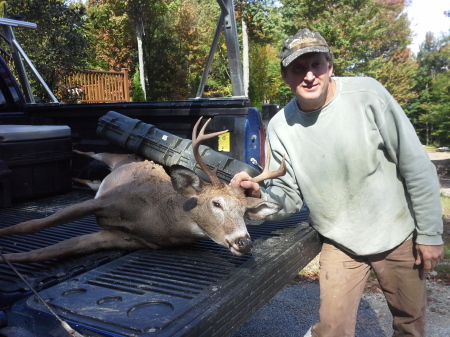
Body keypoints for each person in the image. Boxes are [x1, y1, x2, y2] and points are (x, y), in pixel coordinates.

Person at [231, 28, 444, 337]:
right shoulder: (280, 127)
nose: (309, 76)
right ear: (285, 76)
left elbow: (416, 165)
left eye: (316, 64)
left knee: (410, 324)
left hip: (396, 232)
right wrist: (255, 196)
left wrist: (429, 234)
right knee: (332, 330)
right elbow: (288, 195)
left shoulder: (368, 95)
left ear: (330, 67)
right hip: (340, 241)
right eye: (298, 68)